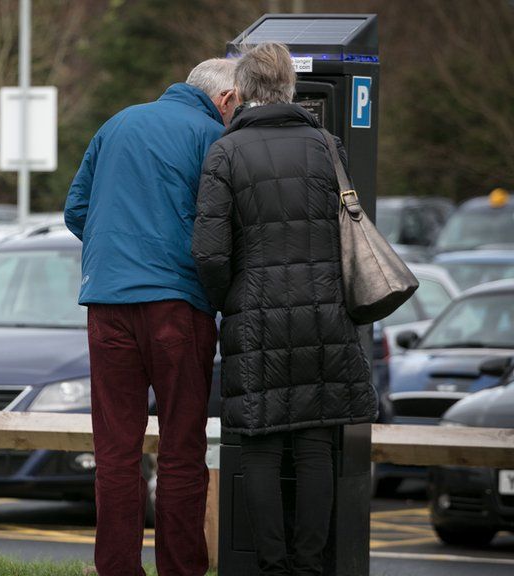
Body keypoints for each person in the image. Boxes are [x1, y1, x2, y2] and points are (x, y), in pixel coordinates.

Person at [191, 42, 377, 576]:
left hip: (256, 318)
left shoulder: (225, 152)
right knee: (316, 444)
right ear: (290, 89)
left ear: (244, 89)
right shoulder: (327, 145)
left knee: (261, 447)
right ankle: (311, 567)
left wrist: (228, 300)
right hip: (324, 314)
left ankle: (270, 567)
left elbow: (209, 252)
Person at [65, 58, 239, 576]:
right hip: (177, 306)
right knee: (181, 448)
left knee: (115, 450)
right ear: (226, 100)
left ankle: (117, 568)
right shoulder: (212, 137)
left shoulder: (116, 123)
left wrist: (119, 252)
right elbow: (222, 226)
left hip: (107, 304)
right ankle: (180, 570)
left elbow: (76, 209)